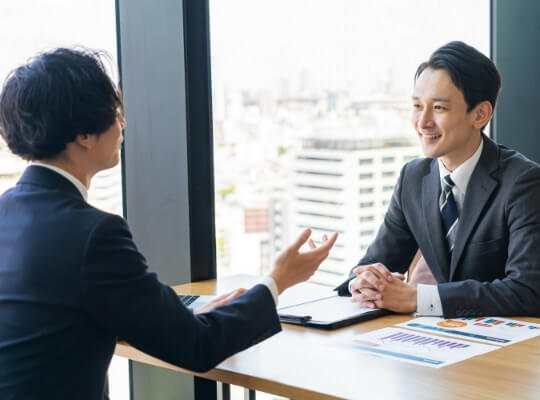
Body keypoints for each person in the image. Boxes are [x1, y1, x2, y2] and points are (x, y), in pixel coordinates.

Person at [0, 48, 338, 399]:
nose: (123, 124)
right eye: (116, 113)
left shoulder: (7, 212)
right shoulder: (93, 234)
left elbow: (48, 324)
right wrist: (278, 280)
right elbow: (197, 347)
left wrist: (178, 319)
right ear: (83, 134)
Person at [336, 41, 540, 318]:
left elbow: (527, 290)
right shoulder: (413, 177)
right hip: (440, 344)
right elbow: (374, 263)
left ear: (480, 114)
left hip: (506, 350)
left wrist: (420, 299)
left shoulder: (523, 182)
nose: (423, 122)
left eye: (439, 108)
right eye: (418, 106)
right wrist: (362, 283)